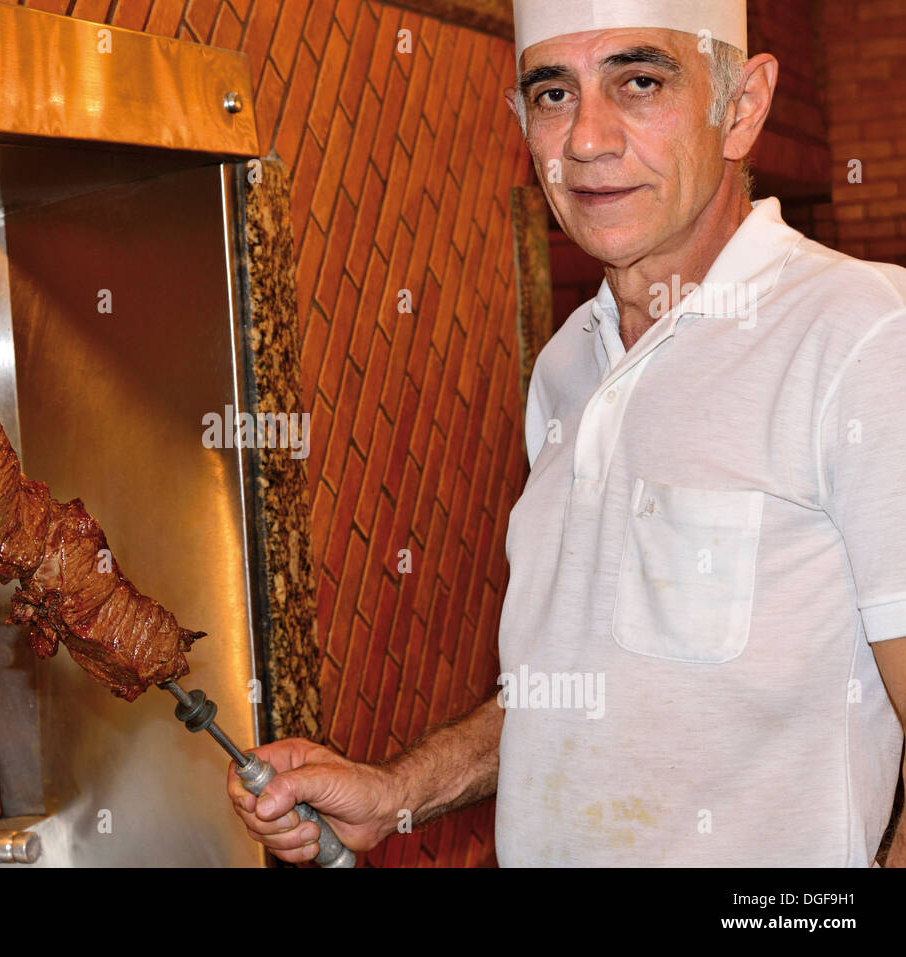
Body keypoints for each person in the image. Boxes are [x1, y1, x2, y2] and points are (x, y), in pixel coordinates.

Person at [228, 0, 906, 866]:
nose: (585, 138)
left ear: (742, 106)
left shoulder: (862, 336)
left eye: (640, 81)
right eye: (552, 93)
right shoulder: (564, 367)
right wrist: (399, 792)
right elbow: (577, 688)